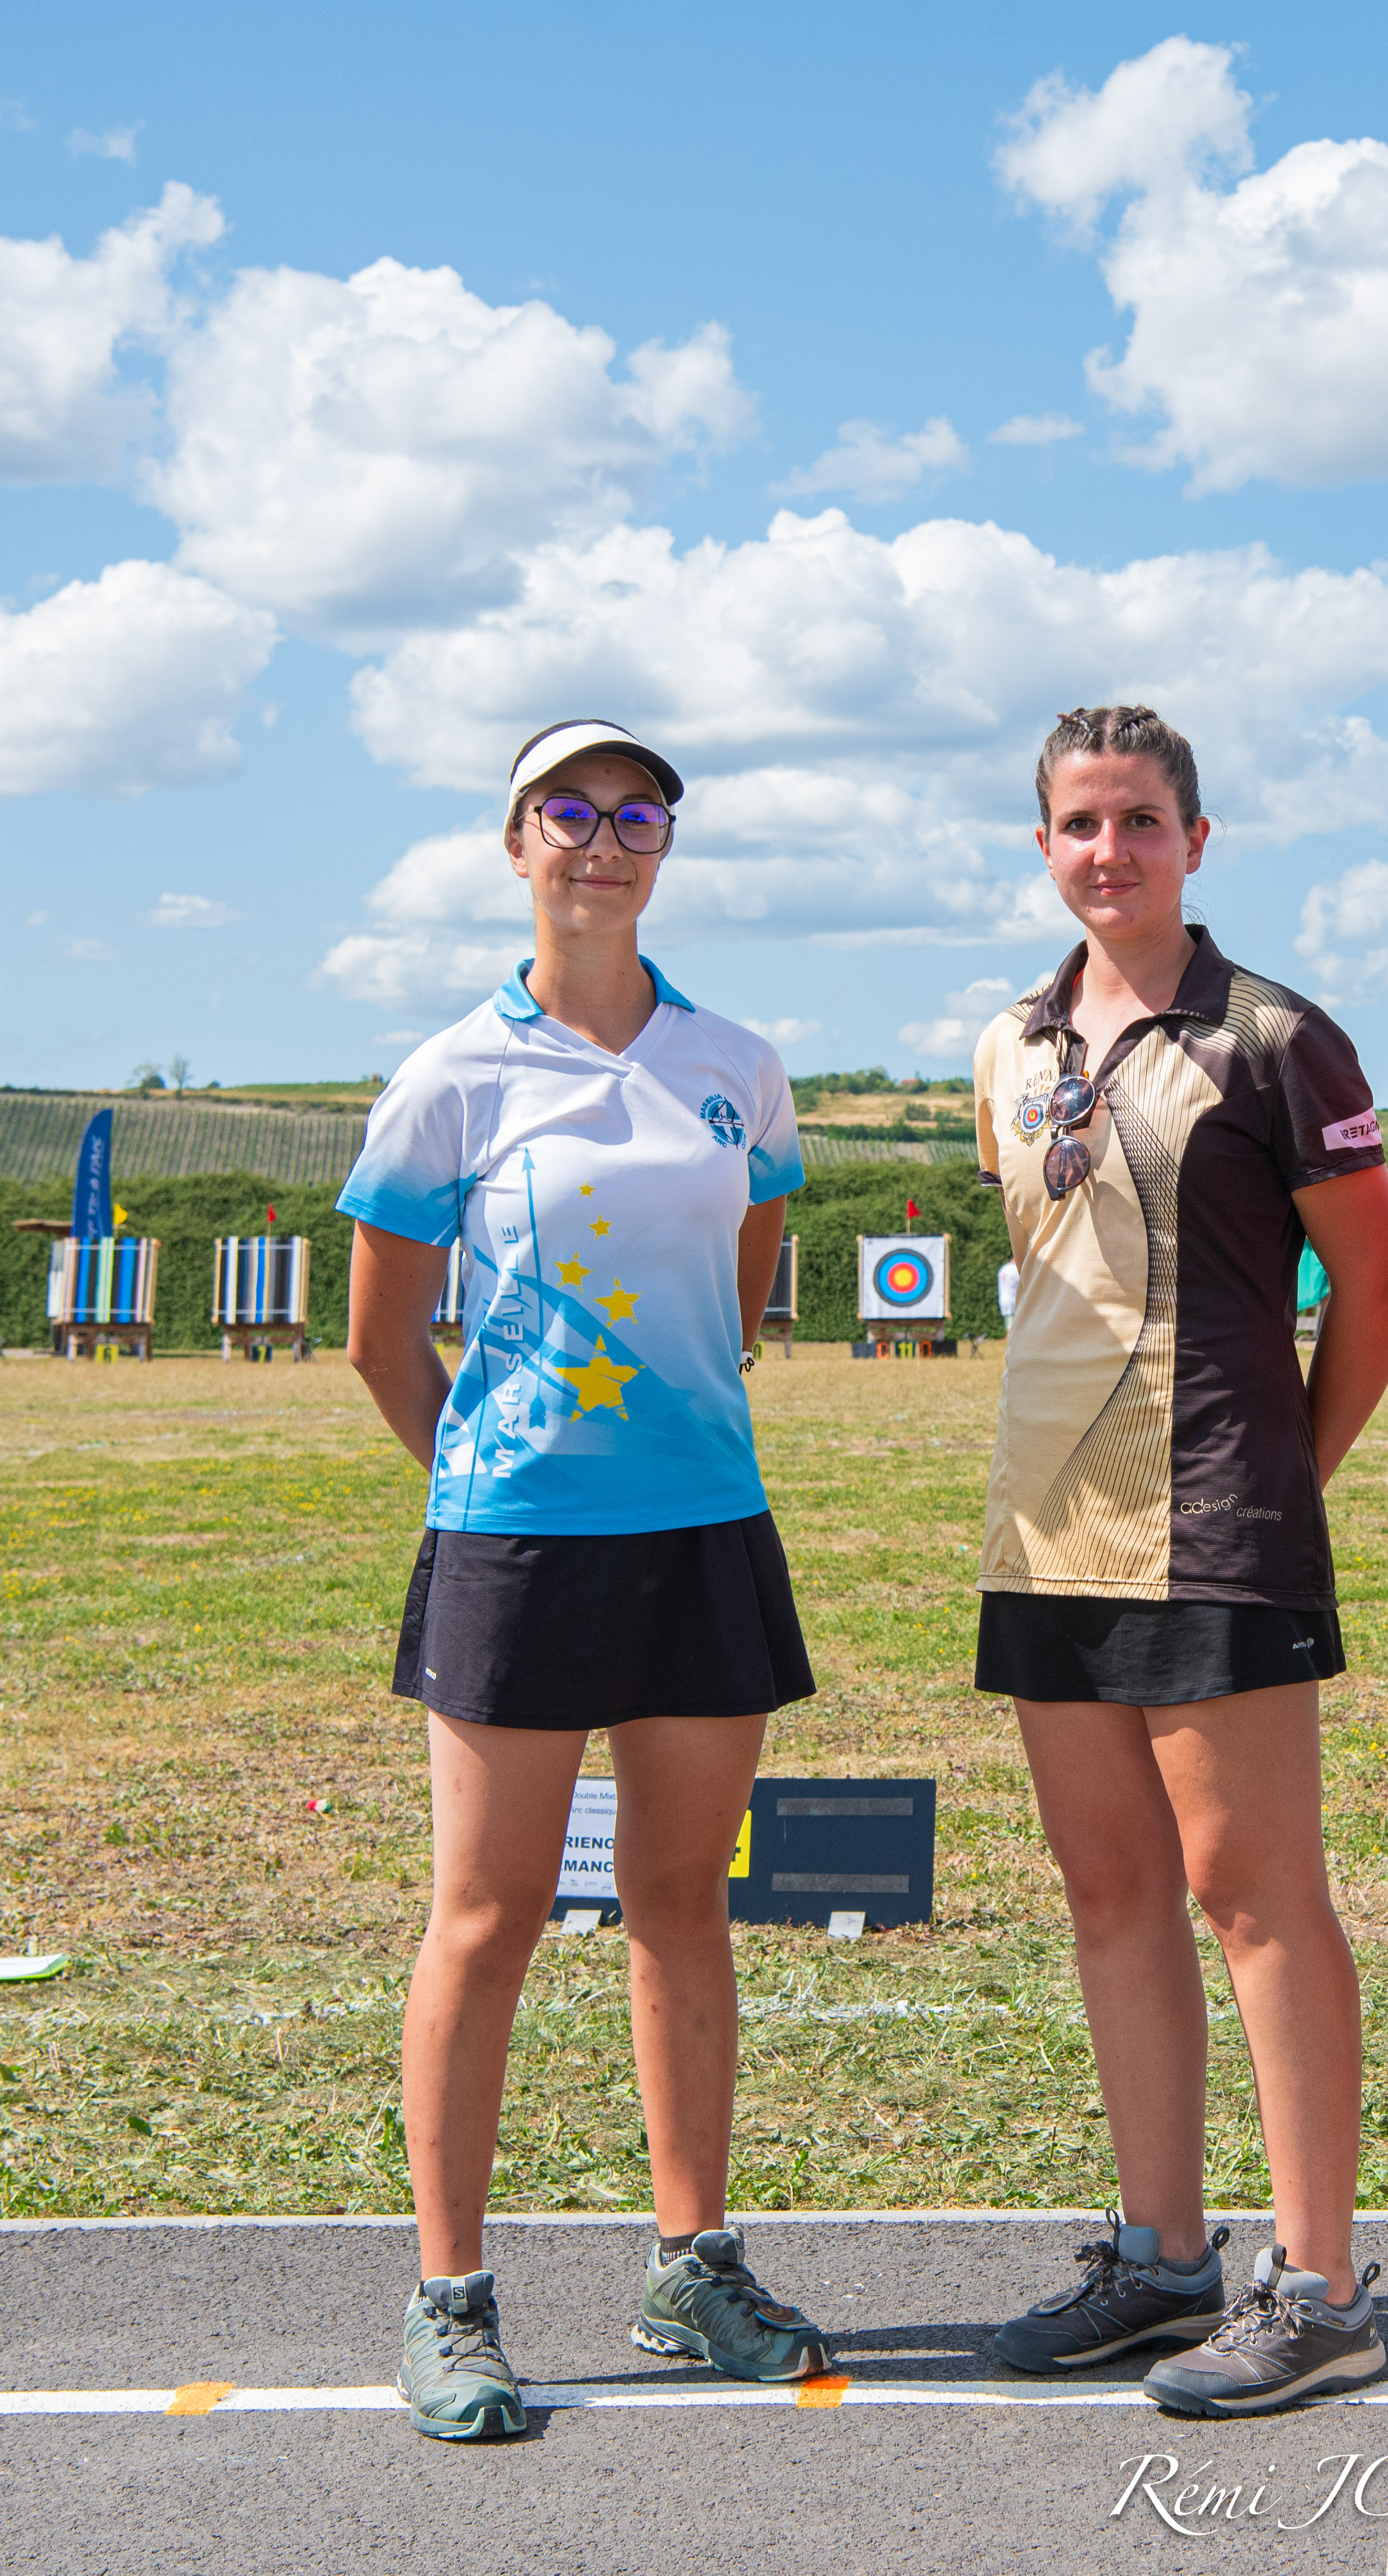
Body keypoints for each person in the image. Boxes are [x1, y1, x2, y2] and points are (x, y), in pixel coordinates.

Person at [340, 718, 828, 2441]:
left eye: (639, 815)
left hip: (702, 1527)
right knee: (485, 1922)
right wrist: (493, 1490)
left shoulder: (735, 1063)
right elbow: (384, 1343)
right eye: (573, 810)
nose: (606, 840)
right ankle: (451, 2297)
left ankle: (691, 2261)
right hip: (516, 1544)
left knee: (685, 1906)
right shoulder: (453, 1075)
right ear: (516, 841)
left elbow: (749, 1282)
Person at [970, 706, 1388, 2418]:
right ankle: (1164, 2261)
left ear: (1197, 841)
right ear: (1045, 847)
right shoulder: (1008, 1043)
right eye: (1080, 823)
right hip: (1048, 1530)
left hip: (1221, 1522)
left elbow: (1375, 1291)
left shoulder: (1278, 1035)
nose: (1110, 851)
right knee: (1108, 1897)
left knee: (1255, 1901)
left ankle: (1312, 2284)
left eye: (1141, 821)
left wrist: (1287, 1479)